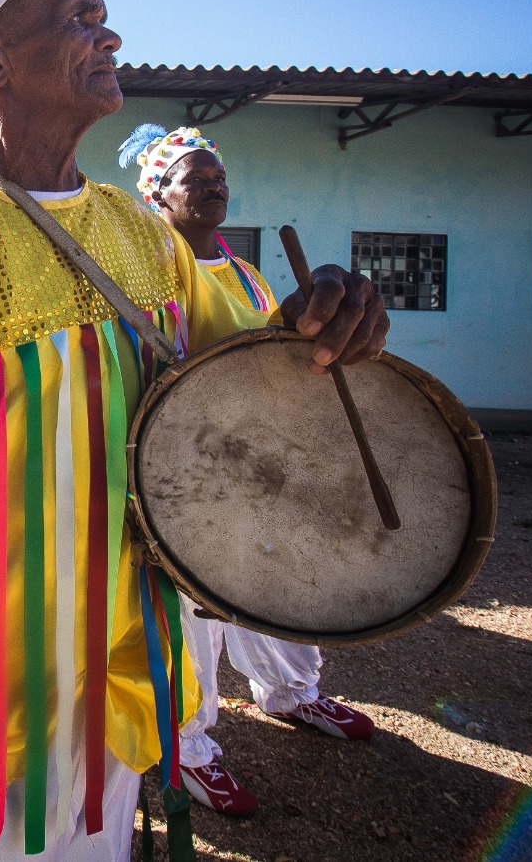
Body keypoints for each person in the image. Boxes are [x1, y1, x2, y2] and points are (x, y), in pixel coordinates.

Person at [0, 0, 390, 861]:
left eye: (102, 14)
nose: (110, 34)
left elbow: (245, 390)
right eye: (76, 17)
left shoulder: (144, 238)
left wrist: (316, 328)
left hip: (126, 690)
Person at [119, 122, 376, 817]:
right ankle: (189, 750)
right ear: (157, 195)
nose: (211, 185)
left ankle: (292, 692)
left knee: (275, 587)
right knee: (193, 615)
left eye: (218, 177)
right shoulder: (147, 271)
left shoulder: (246, 274)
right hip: (186, 476)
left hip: (256, 467)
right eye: (192, 178)